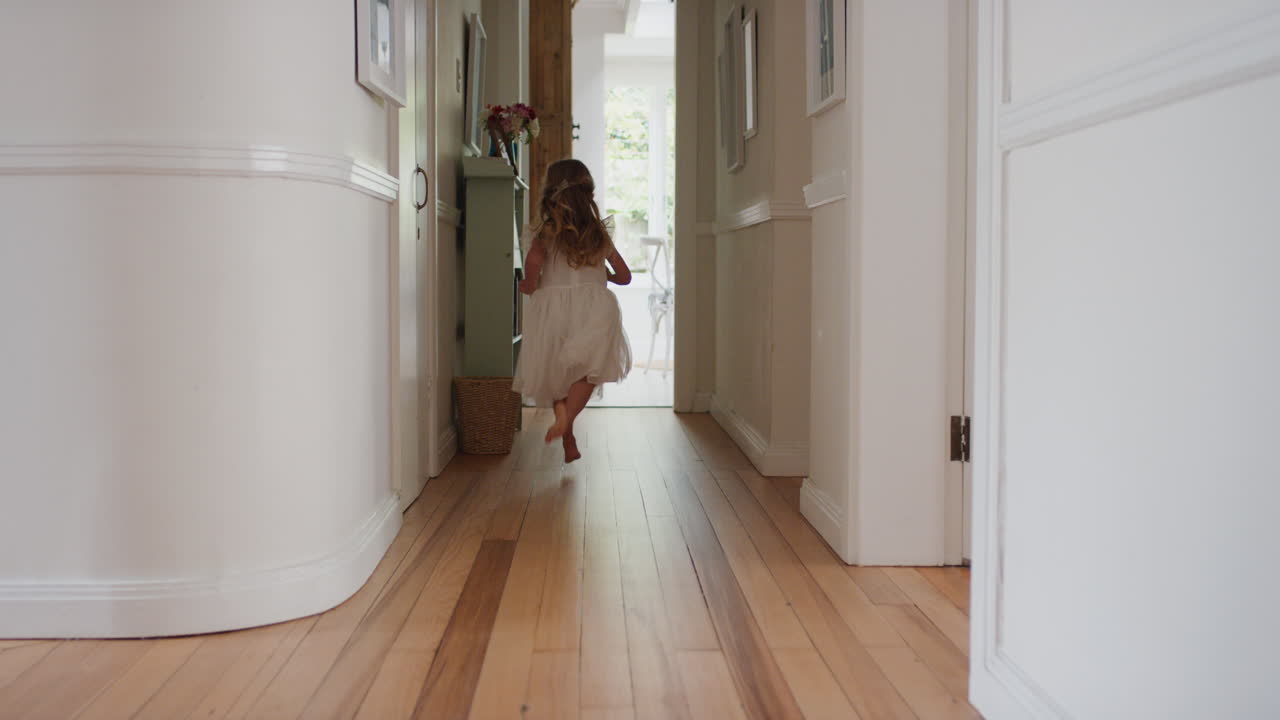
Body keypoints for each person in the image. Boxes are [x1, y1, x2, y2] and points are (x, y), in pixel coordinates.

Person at [513, 159, 633, 462]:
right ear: (587, 193)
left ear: (550, 192)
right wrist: (605, 277)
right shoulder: (598, 234)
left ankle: (564, 422)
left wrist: (528, 284)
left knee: (555, 370)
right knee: (590, 369)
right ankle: (568, 428)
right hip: (595, 308)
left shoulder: (545, 233)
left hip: (552, 307)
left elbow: (534, 266)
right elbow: (625, 275)